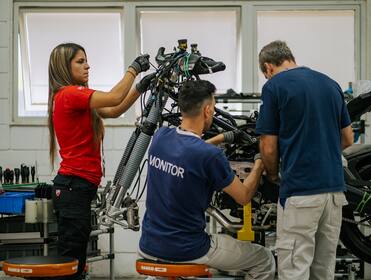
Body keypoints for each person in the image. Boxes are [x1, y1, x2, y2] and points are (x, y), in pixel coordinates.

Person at [139, 80, 276, 280]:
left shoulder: (160, 137)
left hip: (148, 245)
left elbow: (188, 151)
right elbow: (244, 196)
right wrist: (259, 164)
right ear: (208, 110)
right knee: (264, 259)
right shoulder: (210, 156)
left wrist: (221, 138)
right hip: (188, 249)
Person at [48, 42, 152, 279]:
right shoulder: (70, 94)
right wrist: (133, 69)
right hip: (73, 186)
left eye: (86, 60)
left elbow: (114, 109)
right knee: (71, 265)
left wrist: (139, 87)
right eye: (80, 61)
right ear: (64, 66)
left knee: (75, 262)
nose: (87, 66)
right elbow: (114, 96)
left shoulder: (75, 96)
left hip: (78, 188)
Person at [256, 40, 354, 280]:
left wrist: (272, 174)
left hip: (301, 192)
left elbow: (268, 147)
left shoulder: (274, 87)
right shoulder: (330, 84)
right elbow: (348, 138)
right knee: (323, 270)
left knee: (294, 269)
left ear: (268, 67)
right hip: (333, 194)